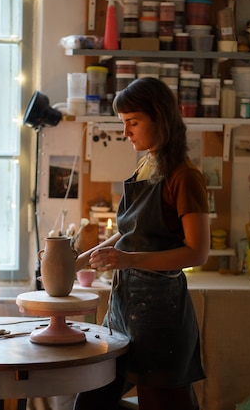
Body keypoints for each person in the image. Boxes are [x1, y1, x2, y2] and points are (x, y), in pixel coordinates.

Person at [73, 77, 210, 410]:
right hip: (124, 309)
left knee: (161, 403)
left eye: (132, 122)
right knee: (91, 402)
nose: (126, 132)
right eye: (124, 123)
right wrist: (74, 260)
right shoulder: (149, 164)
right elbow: (131, 230)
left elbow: (197, 252)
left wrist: (128, 260)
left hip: (161, 314)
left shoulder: (183, 176)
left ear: (159, 118)